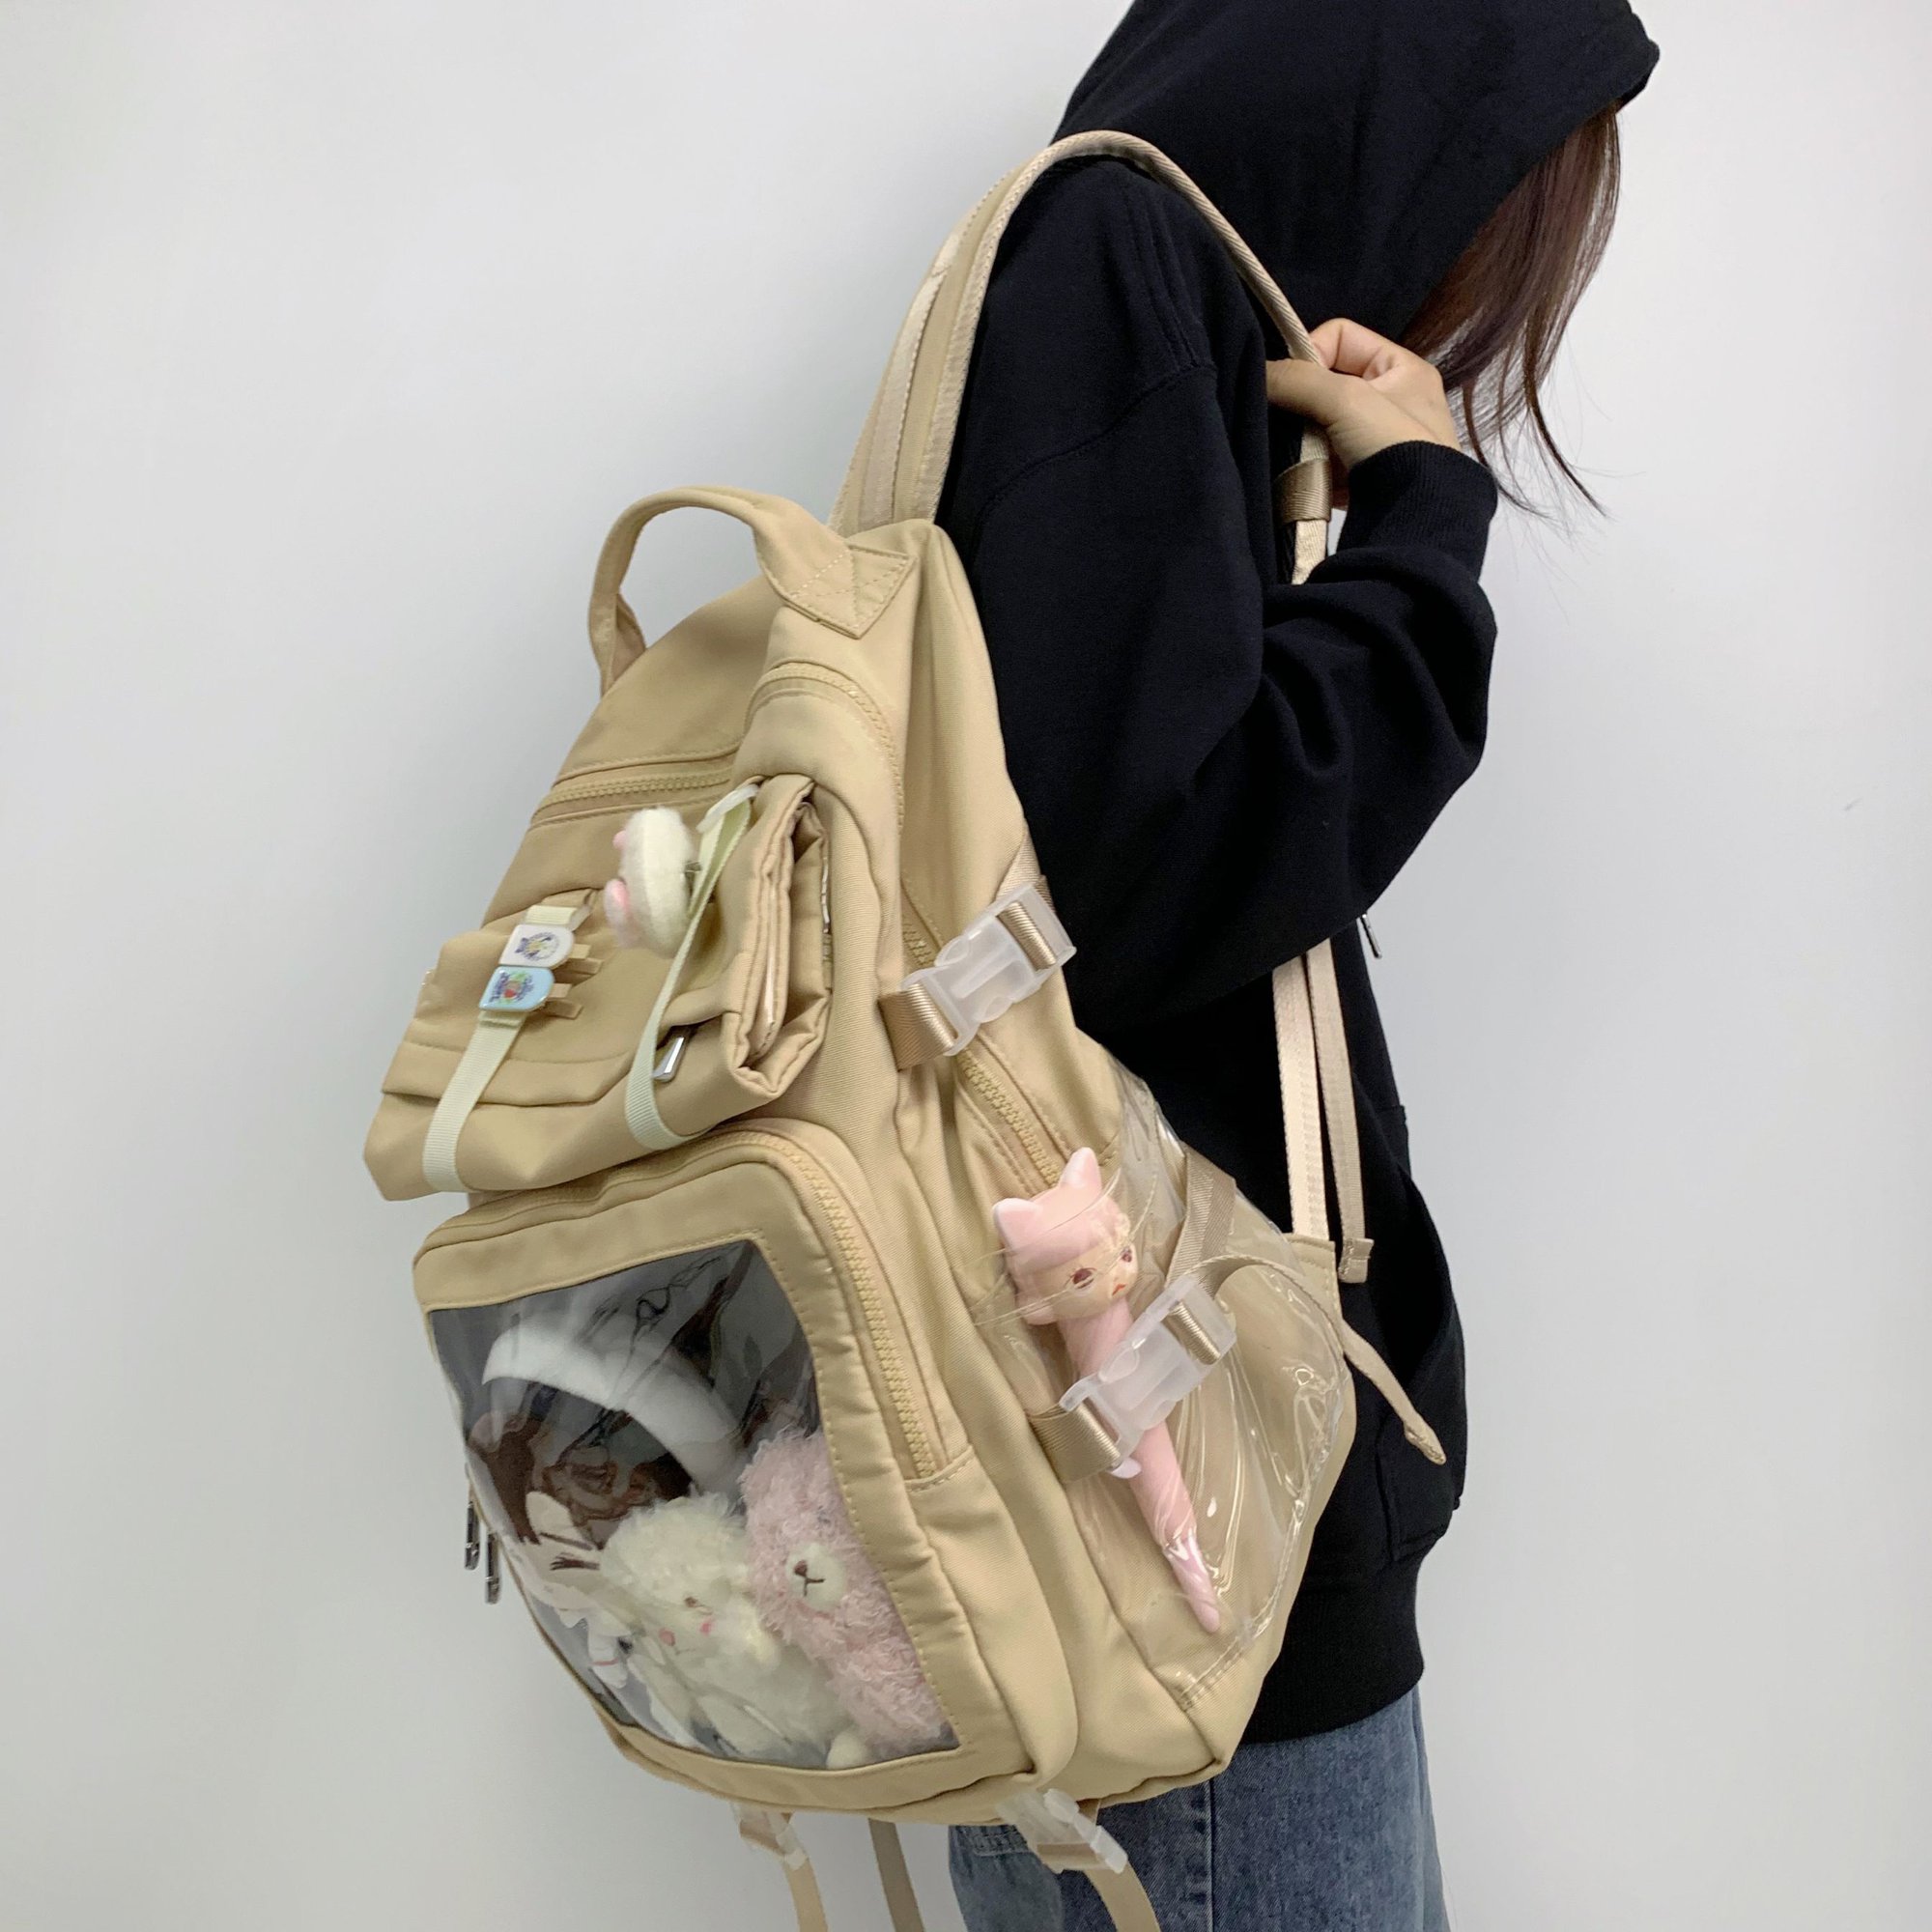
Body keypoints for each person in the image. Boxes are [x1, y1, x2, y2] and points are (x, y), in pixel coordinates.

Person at [937, 2, 1660, 1926]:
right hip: (1192, 1525)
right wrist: (1421, 517)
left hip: (1173, 1469)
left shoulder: (1118, 270)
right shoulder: (1115, 263)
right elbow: (1163, 870)